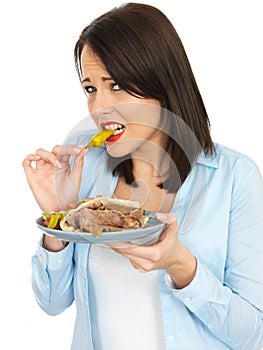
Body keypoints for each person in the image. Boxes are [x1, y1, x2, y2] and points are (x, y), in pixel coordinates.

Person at [22, 3, 263, 350]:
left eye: (115, 85)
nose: (99, 107)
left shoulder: (235, 177)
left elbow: (254, 334)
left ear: (161, 83)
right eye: (91, 88)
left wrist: (181, 265)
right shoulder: (84, 163)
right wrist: (57, 218)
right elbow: (52, 302)